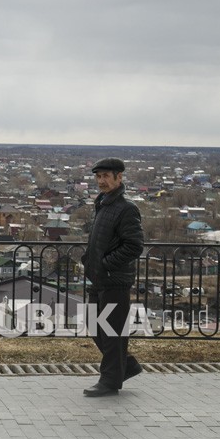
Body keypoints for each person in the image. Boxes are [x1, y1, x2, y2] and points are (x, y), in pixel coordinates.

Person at [81, 157, 145, 397]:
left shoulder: (126, 208)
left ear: (120, 177)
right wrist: (90, 262)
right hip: (100, 278)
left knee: (111, 330)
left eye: (106, 176)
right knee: (94, 323)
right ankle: (125, 366)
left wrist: (106, 265)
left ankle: (109, 381)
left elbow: (134, 246)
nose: (101, 181)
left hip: (114, 279)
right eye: (98, 177)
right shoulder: (104, 204)